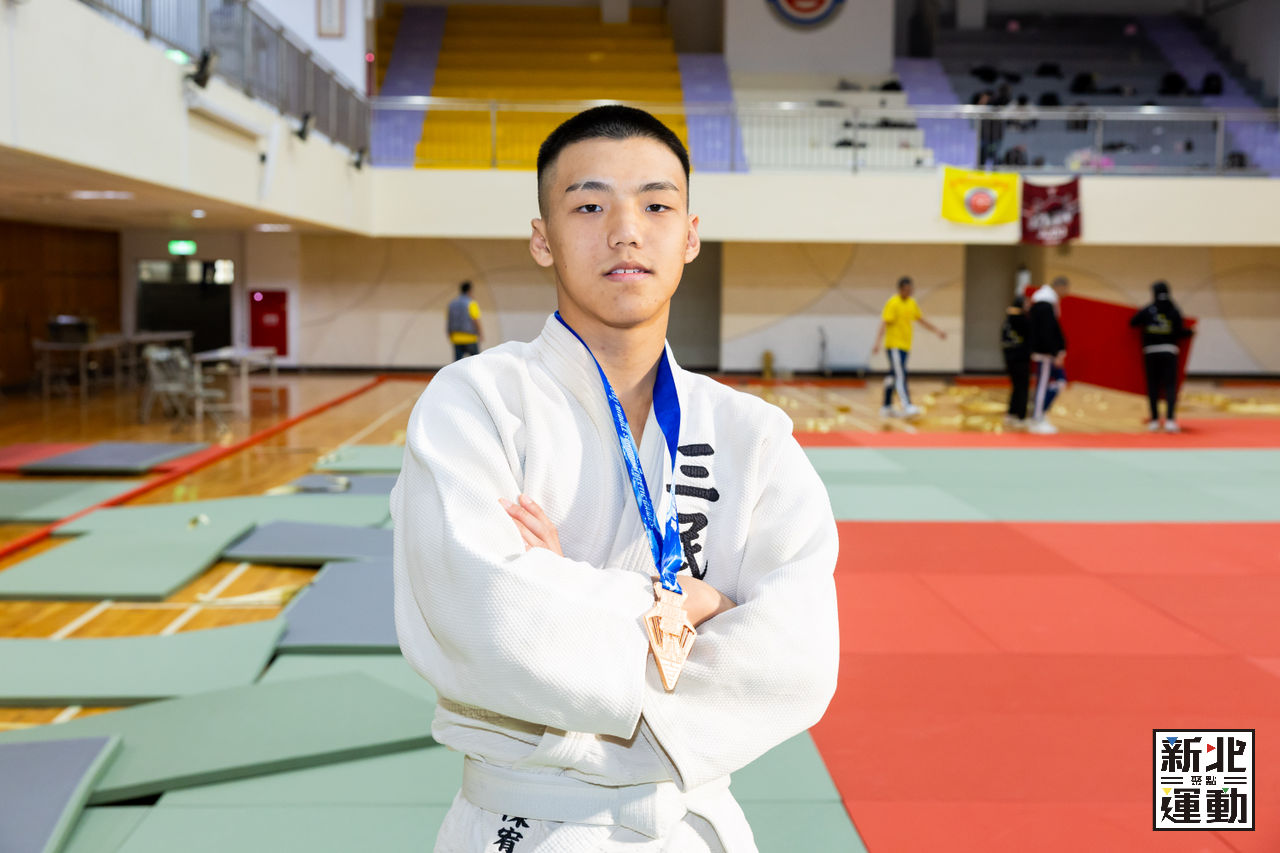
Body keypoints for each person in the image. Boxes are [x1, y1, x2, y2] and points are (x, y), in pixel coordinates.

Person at [391, 105, 839, 852]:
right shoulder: (476, 403)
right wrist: (700, 607)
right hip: (524, 822)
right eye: (589, 206)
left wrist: (560, 584)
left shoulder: (753, 434)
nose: (626, 231)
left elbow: (797, 660)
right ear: (542, 238)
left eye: (656, 206)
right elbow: (488, 621)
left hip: (691, 826)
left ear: (690, 235)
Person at [871, 276, 946, 418]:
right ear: (900, 289)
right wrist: (877, 342)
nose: (909, 292)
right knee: (901, 374)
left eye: (911, 289)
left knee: (893, 375)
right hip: (894, 345)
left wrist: (937, 330)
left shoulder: (912, 303)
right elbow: (884, 322)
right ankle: (907, 405)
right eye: (906, 289)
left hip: (905, 346)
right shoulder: (893, 303)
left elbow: (921, 319)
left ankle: (886, 406)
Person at [1129, 280, 1193, 433]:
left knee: (1153, 386)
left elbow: (1133, 322)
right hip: (1169, 351)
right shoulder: (1174, 309)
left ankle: (1155, 420)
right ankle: (1170, 420)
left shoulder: (1149, 309)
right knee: (1170, 386)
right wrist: (1191, 332)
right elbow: (1179, 332)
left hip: (1151, 352)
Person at [1027, 275, 1069, 434]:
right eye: (1066, 289)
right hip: (1045, 353)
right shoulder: (1044, 304)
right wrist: (1055, 352)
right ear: (1060, 287)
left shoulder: (1048, 303)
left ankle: (1040, 414)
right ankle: (1037, 418)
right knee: (1043, 385)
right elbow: (1046, 332)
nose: (1067, 293)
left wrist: (1060, 350)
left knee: (1059, 382)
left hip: (1048, 352)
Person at [1001, 295, 1031, 427]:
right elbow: (1030, 335)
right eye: (1027, 303)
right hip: (1020, 358)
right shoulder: (1021, 319)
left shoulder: (1008, 319)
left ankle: (1012, 413)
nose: (1029, 306)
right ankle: (1020, 416)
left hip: (1010, 358)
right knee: (1022, 387)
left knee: (1016, 386)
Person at [446, 281, 483, 360]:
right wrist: (480, 333)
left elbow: (449, 320)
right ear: (470, 291)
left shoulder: (452, 304)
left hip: (456, 337)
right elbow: (475, 319)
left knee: (457, 363)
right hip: (470, 337)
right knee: (476, 361)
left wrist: (449, 333)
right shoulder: (471, 303)